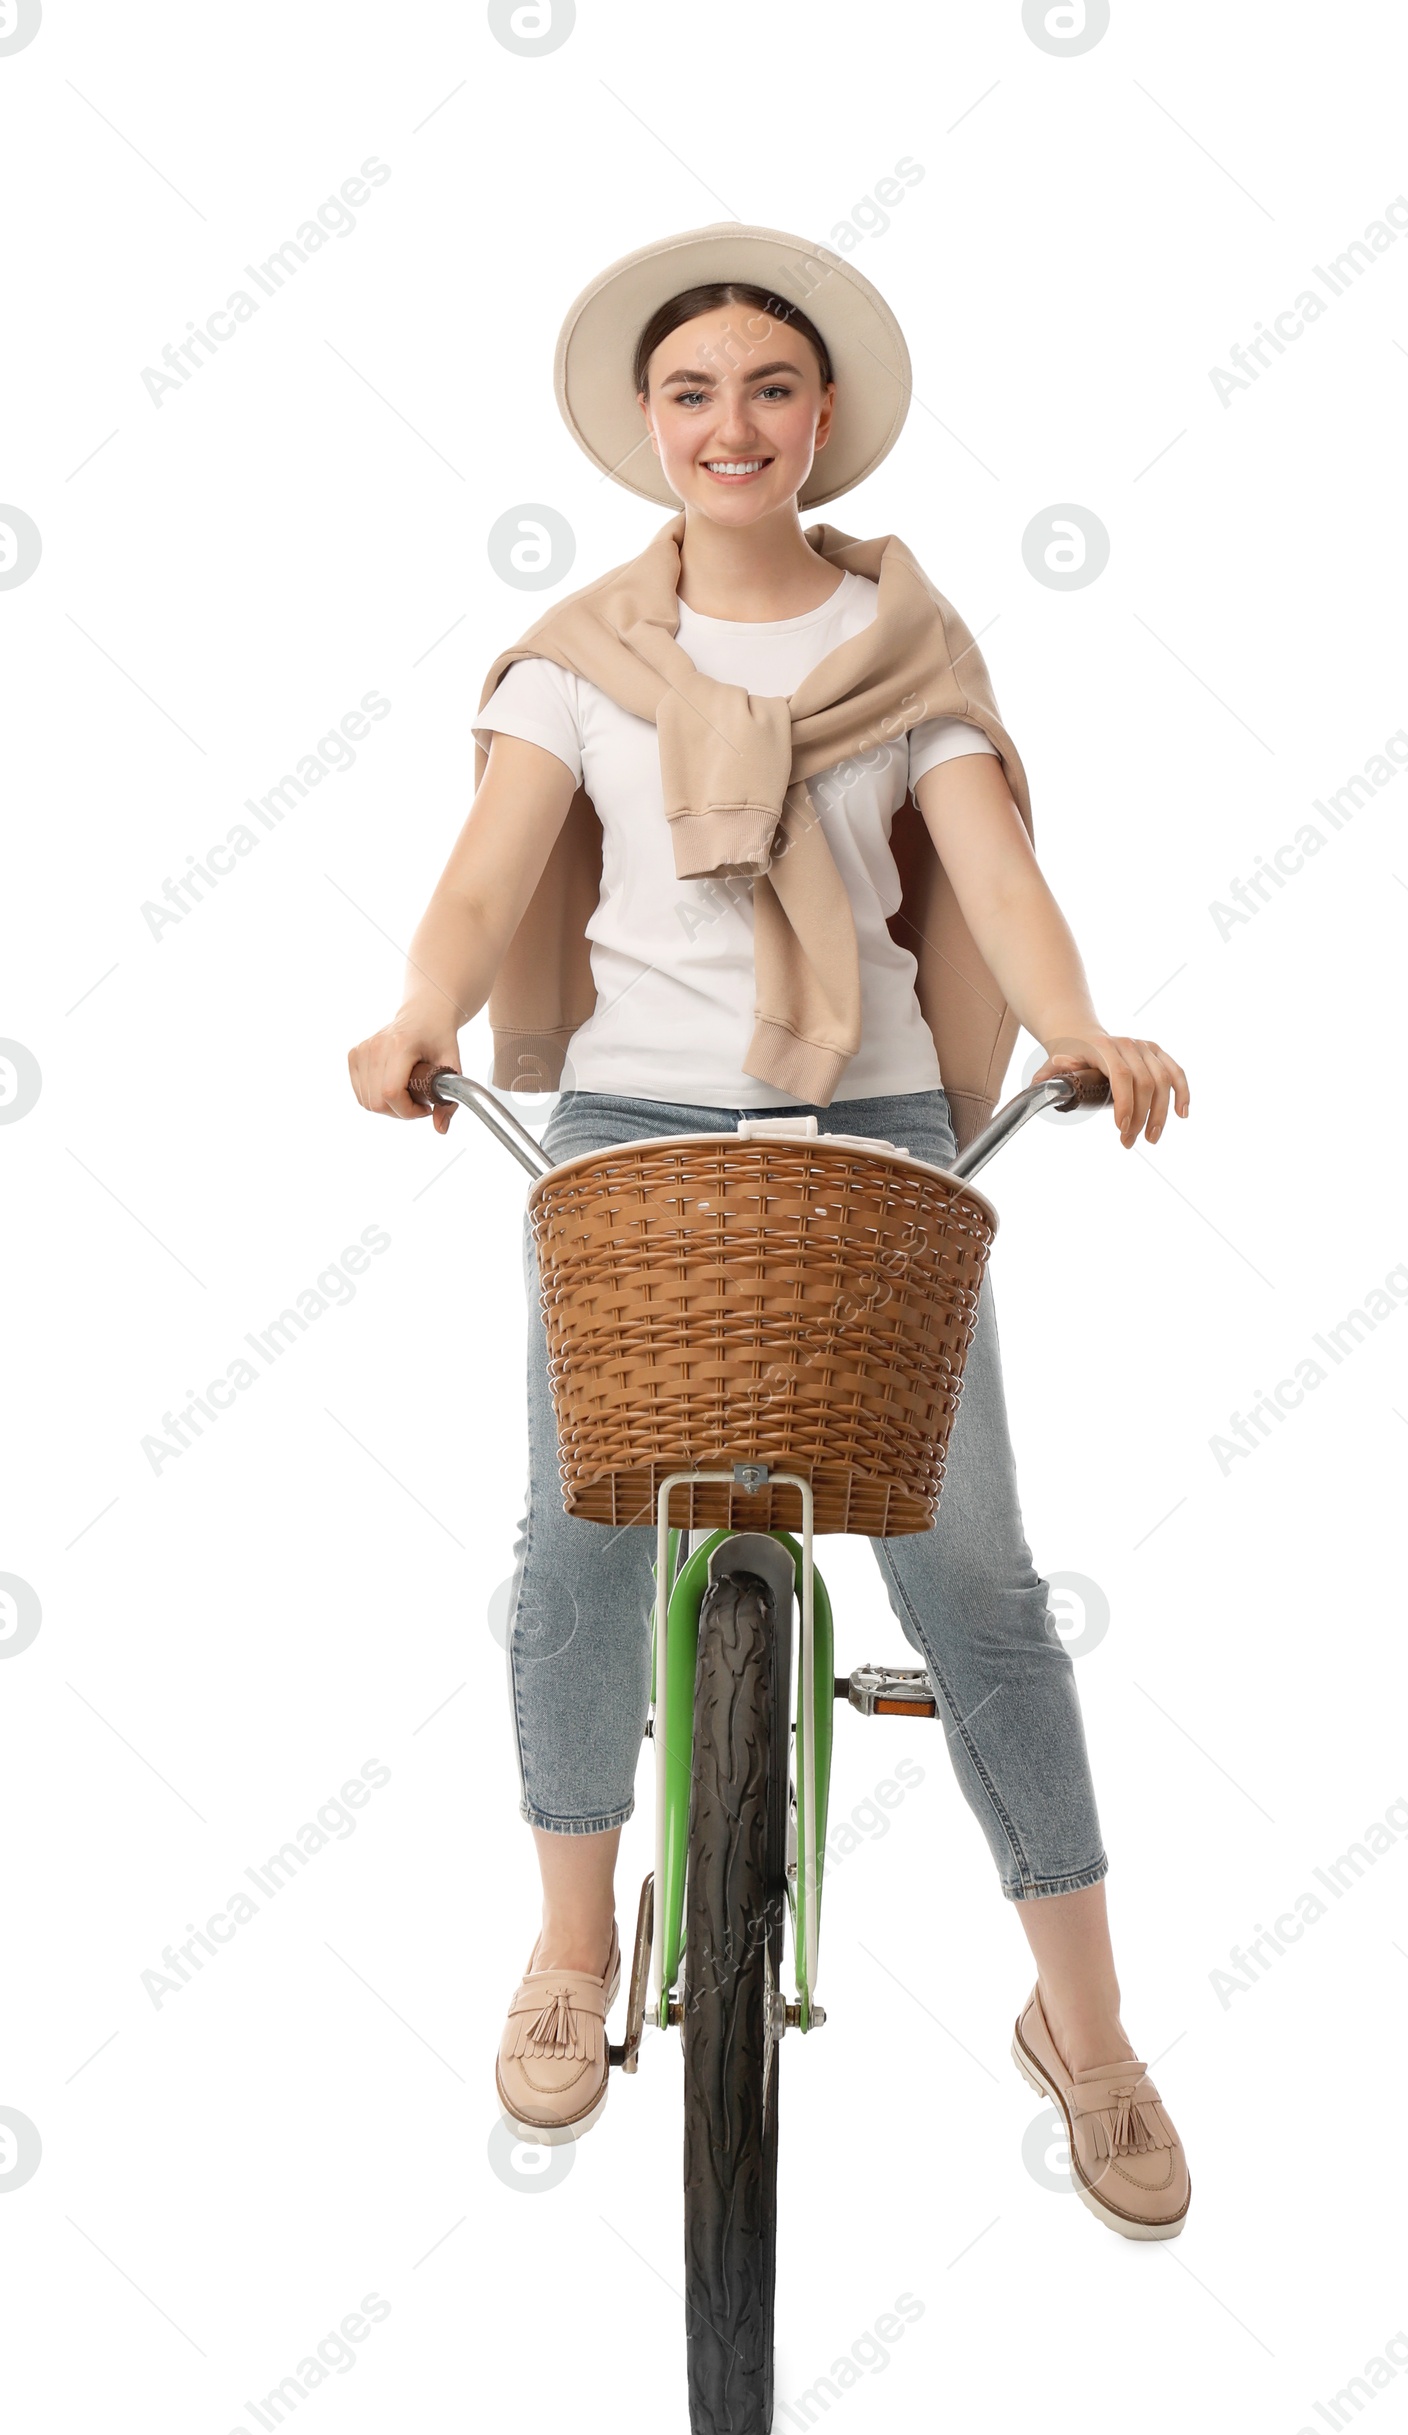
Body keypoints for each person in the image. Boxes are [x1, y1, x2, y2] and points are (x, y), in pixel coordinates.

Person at [348, 226, 1193, 2240]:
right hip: (632, 1127)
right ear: (648, 433)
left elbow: (993, 873)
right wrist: (420, 1014)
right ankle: (574, 1948)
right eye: (691, 395)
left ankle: (1084, 2030)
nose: (730, 425)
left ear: (822, 423)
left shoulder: (906, 654)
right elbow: (484, 884)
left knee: (970, 1573)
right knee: (571, 1545)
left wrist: (1072, 1027)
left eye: (767, 392)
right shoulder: (576, 665)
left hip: (875, 1124)